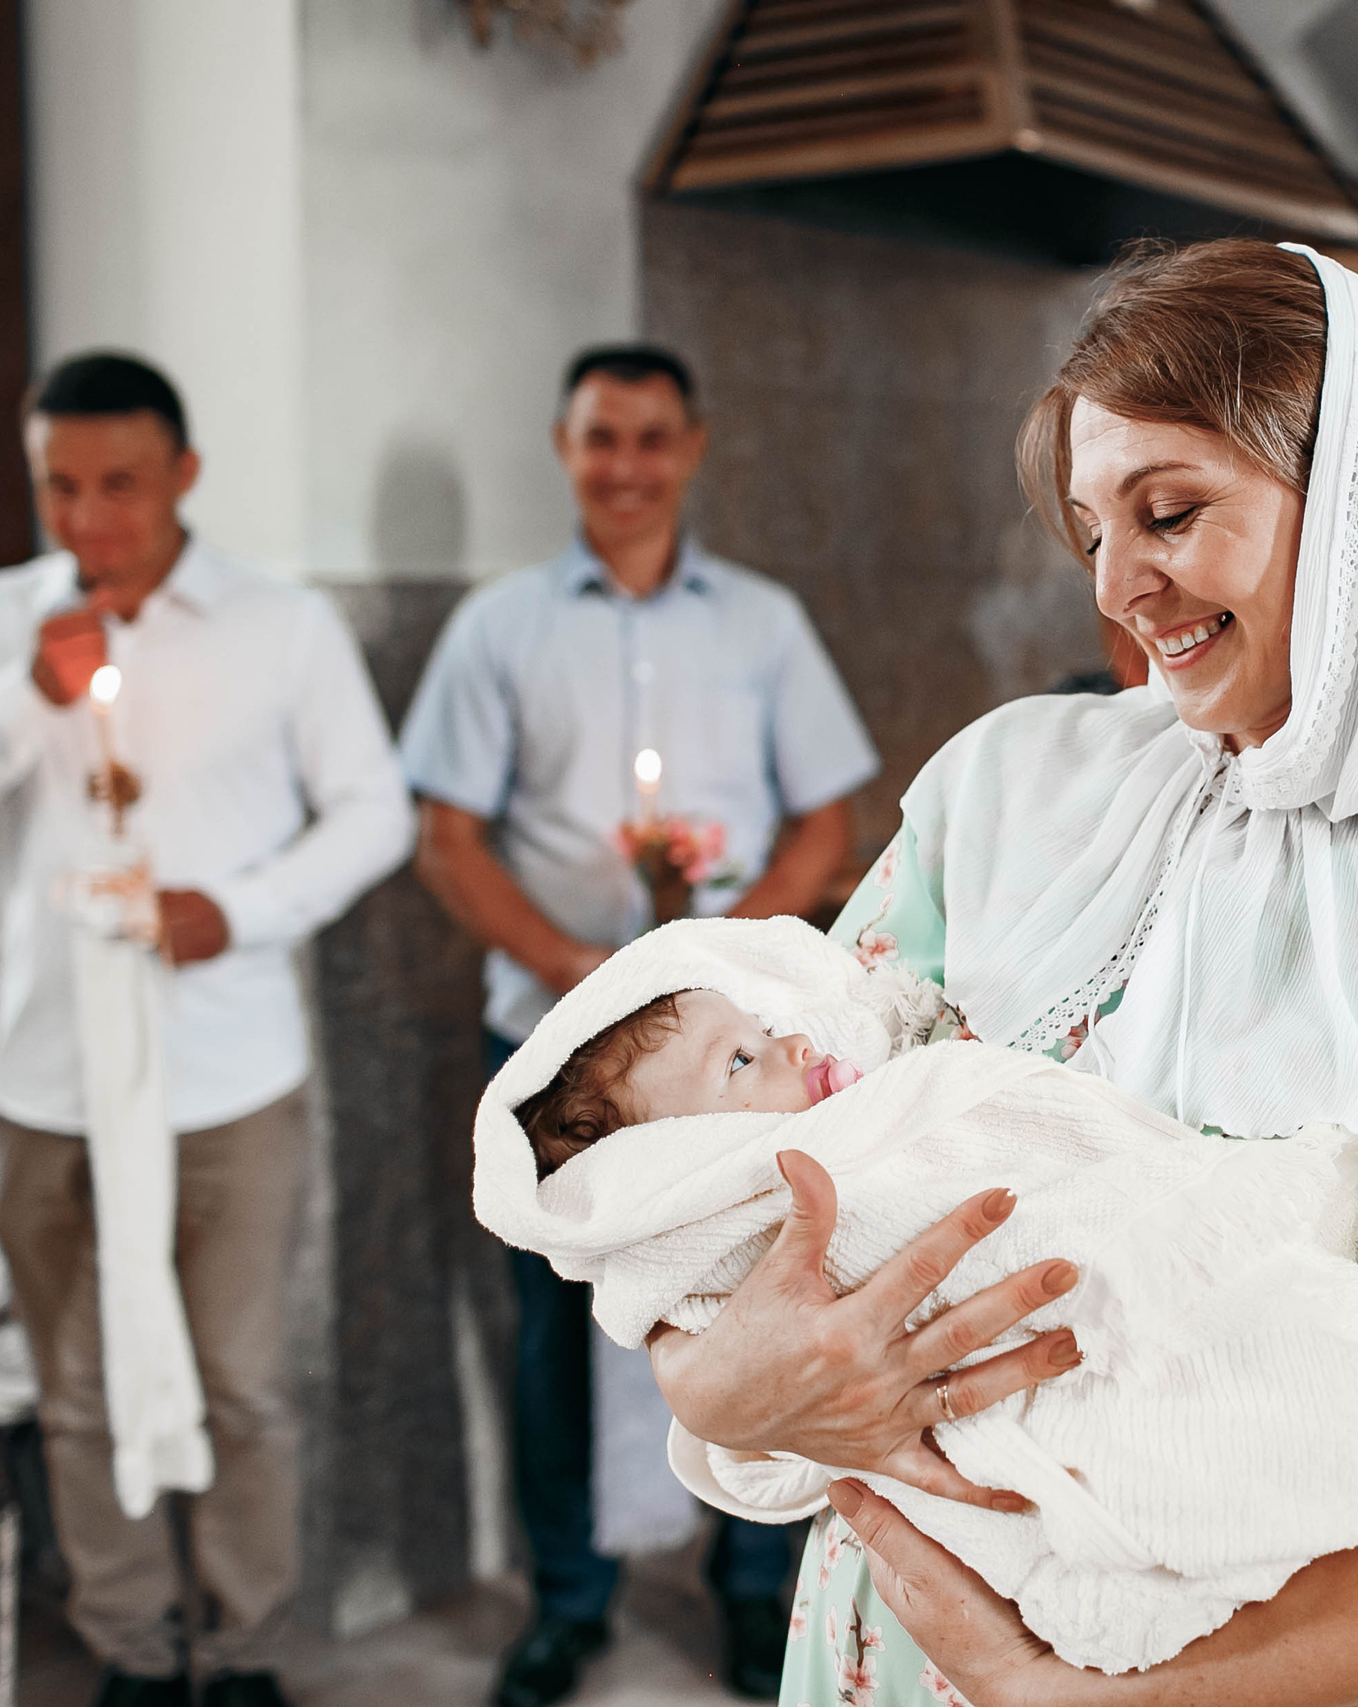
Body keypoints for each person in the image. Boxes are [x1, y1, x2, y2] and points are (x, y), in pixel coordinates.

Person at [649, 239, 1358, 1707]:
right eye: (1092, 527)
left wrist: (1102, 1702)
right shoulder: (1000, 794)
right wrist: (708, 1384)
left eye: (1172, 513)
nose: (1119, 586)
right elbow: (739, 1198)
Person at [474, 917, 1358, 1678]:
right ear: (680, 1163)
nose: (788, 1047)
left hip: (1141, 1247)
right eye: (739, 1064)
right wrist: (714, 1389)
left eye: (762, 1031)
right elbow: (727, 1363)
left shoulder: (855, 1084)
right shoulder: (755, 1212)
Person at [0, 353, 413, 1707]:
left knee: (238, 1385)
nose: (89, 518)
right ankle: (131, 1646)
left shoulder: (280, 626)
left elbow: (375, 812)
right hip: (48, 1079)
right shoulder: (2, 615)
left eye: (120, 484)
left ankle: (242, 1648)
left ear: (183, 473)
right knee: (79, 1385)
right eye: (59, 485)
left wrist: (232, 911)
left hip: (230, 1076)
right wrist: (28, 699)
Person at [399, 343, 880, 1705]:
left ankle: (748, 1585)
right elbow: (447, 837)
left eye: (651, 440)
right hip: (552, 1047)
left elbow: (827, 816)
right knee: (557, 1330)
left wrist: (721, 953)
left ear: (693, 448)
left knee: (753, 1299)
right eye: (602, 438)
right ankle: (569, 1596)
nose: (627, 467)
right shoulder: (501, 626)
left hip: (733, 1061)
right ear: (565, 445)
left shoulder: (764, 625)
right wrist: (577, 969)